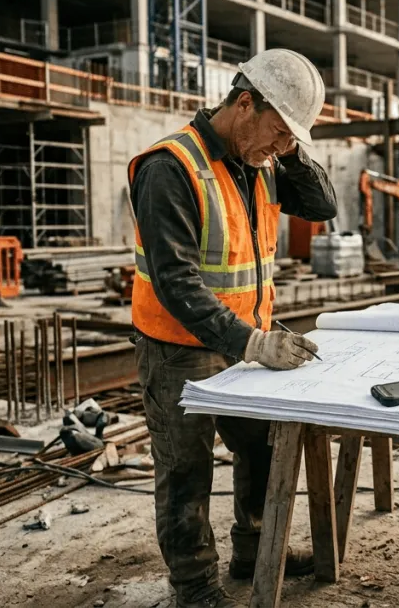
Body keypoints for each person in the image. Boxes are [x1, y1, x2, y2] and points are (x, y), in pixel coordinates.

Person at [129, 49, 337, 608]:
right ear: (244, 103)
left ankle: (252, 550)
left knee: (263, 450)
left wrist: (288, 151)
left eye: (289, 139)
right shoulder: (169, 167)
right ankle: (195, 591)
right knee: (185, 474)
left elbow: (323, 206)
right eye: (278, 132)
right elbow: (176, 283)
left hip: (244, 340)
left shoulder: (262, 160)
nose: (281, 146)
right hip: (180, 350)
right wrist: (251, 342)